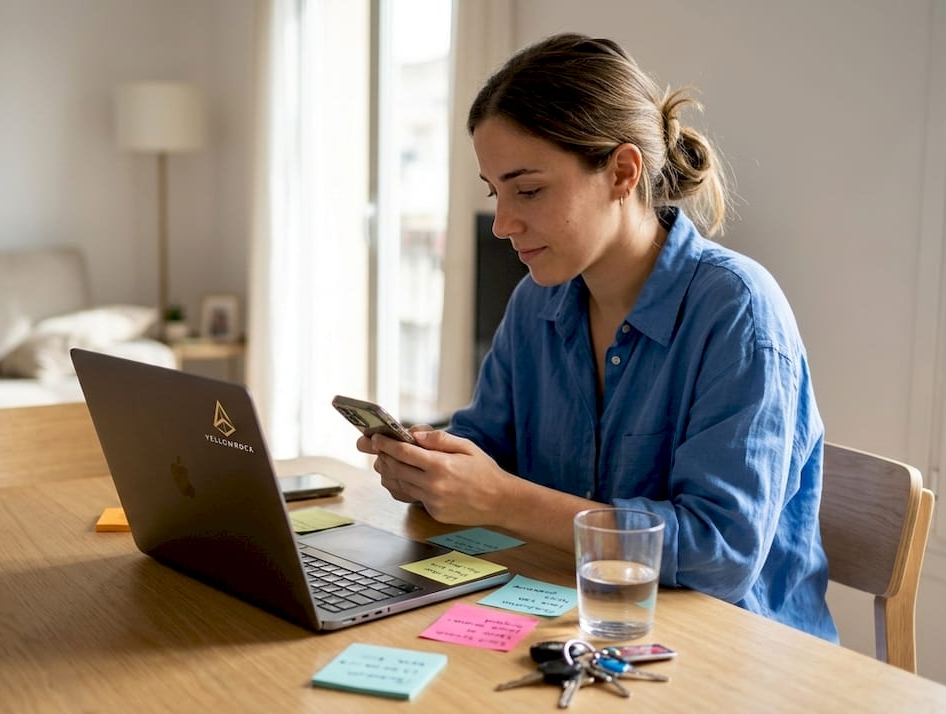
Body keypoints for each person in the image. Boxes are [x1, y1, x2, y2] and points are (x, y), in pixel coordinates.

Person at [356, 32, 836, 642]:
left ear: (622, 172)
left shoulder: (737, 311)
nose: (502, 224)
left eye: (528, 190)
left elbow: (719, 554)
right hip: (575, 621)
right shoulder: (536, 302)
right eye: (495, 192)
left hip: (732, 650)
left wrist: (501, 499)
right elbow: (487, 445)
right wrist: (430, 468)